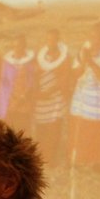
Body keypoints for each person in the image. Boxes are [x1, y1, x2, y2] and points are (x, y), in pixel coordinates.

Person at [67, 22, 100, 169]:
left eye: (98, 36)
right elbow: (75, 73)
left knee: (95, 130)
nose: (94, 39)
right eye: (92, 35)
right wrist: (83, 62)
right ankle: (78, 160)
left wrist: (90, 62)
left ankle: (94, 161)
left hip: (98, 98)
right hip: (81, 96)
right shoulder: (83, 51)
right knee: (79, 128)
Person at [31, 28, 73, 162]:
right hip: (41, 96)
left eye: (54, 39)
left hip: (56, 96)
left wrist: (50, 91)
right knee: (41, 127)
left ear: (58, 40)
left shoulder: (64, 57)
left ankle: (51, 157)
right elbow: (34, 74)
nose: (51, 42)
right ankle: (40, 156)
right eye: (48, 39)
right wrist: (39, 92)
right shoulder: (40, 56)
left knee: (54, 127)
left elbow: (65, 76)